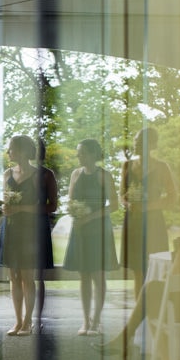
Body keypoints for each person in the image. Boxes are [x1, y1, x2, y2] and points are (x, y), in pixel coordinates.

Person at [98, 192, 180, 358]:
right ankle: (126, 341)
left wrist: (163, 278)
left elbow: (172, 282)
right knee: (154, 295)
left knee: (152, 292)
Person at [0, 134, 58, 336]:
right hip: (11, 228)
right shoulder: (7, 174)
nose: (8, 152)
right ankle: (18, 321)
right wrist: (5, 208)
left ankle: (29, 322)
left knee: (27, 276)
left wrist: (21, 208)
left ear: (21, 150)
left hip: (33, 229)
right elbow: (6, 201)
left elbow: (52, 206)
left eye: (11, 148)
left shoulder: (46, 175)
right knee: (13, 276)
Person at [63, 139, 119, 335]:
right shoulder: (75, 174)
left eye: (83, 153)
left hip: (98, 229)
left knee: (98, 274)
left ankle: (97, 320)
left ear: (94, 154)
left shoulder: (104, 175)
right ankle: (85, 321)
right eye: (78, 153)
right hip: (80, 229)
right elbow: (70, 201)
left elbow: (114, 205)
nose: (79, 156)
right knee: (84, 275)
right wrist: (75, 213)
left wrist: (90, 217)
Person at [120, 127, 177, 296]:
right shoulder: (127, 165)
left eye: (140, 140)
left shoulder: (162, 167)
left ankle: (154, 312)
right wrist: (128, 204)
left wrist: (148, 206)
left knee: (154, 268)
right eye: (136, 140)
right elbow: (122, 195)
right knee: (137, 270)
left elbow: (173, 196)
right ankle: (139, 313)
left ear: (151, 144)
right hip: (133, 221)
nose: (136, 143)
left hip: (154, 222)